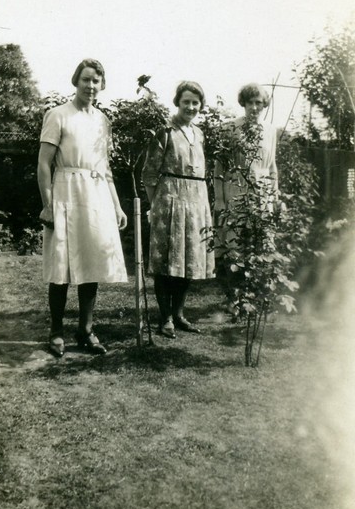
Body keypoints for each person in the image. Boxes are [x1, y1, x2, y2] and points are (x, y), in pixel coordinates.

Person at [37, 58, 127, 357]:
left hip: (96, 194)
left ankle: (86, 330)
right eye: (86, 79)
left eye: (96, 81)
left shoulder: (102, 120)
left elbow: (106, 167)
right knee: (60, 265)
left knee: (91, 263)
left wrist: (116, 206)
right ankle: (56, 331)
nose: (91, 86)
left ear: (102, 85)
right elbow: (42, 164)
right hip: (65, 191)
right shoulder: (58, 115)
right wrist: (47, 205)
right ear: (76, 81)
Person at [142, 81, 215, 339]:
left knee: (189, 261)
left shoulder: (200, 134)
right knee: (165, 263)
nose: (191, 107)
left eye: (196, 103)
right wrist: (157, 205)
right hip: (169, 202)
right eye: (186, 102)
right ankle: (165, 318)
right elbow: (149, 174)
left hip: (196, 201)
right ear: (178, 102)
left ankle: (180, 314)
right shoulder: (165, 132)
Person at [213, 82, 279, 255]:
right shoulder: (229, 129)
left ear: (264, 104)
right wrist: (219, 199)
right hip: (236, 189)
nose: (254, 107)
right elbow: (219, 166)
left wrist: (275, 193)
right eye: (250, 103)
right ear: (244, 103)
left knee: (262, 236)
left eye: (258, 103)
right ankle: (233, 277)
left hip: (262, 192)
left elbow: (272, 165)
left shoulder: (271, 131)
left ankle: (258, 277)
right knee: (235, 236)